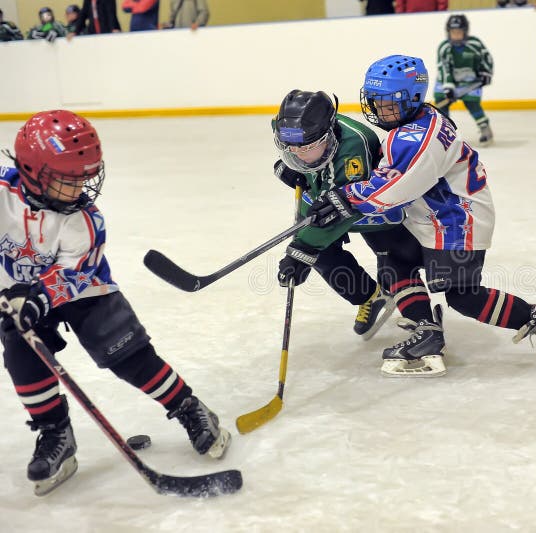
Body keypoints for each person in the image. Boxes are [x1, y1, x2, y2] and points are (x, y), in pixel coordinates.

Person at [304, 55, 536, 377]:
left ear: (412, 99)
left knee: (463, 296)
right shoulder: (411, 123)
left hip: (456, 221)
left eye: (388, 104)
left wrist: (345, 198)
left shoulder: (415, 135)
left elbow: (396, 187)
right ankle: (426, 329)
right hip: (428, 215)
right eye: (374, 102)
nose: (379, 110)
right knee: (393, 260)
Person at [0, 110, 231, 496]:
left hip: (83, 288)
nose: (79, 190)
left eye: (83, 179)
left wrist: (39, 296)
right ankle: (56, 433)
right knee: (22, 354)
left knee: (128, 354)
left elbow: (71, 275)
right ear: (31, 170)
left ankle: (191, 408)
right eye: (66, 181)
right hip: (15, 295)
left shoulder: (85, 220)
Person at [271, 90, 401, 340]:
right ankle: (371, 298)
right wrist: (286, 166)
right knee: (319, 253)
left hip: (373, 210)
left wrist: (302, 249)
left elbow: (343, 210)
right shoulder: (289, 127)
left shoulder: (354, 147)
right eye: (290, 148)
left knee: (398, 264)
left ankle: (422, 315)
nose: (297, 154)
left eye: (306, 147)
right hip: (329, 196)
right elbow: (293, 146)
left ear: (328, 134)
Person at [434, 14, 495, 147]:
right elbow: (444, 69)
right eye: (453, 32)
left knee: (472, 103)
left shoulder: (475, 44)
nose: (456, 35)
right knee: (441, 103)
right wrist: (448, 88)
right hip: (447, 80)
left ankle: (485, 128)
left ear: (465, 32)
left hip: (470, 80)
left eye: (459, 32)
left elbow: (487, 59)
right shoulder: (444, 47)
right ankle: (445, 133)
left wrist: (486, 73)